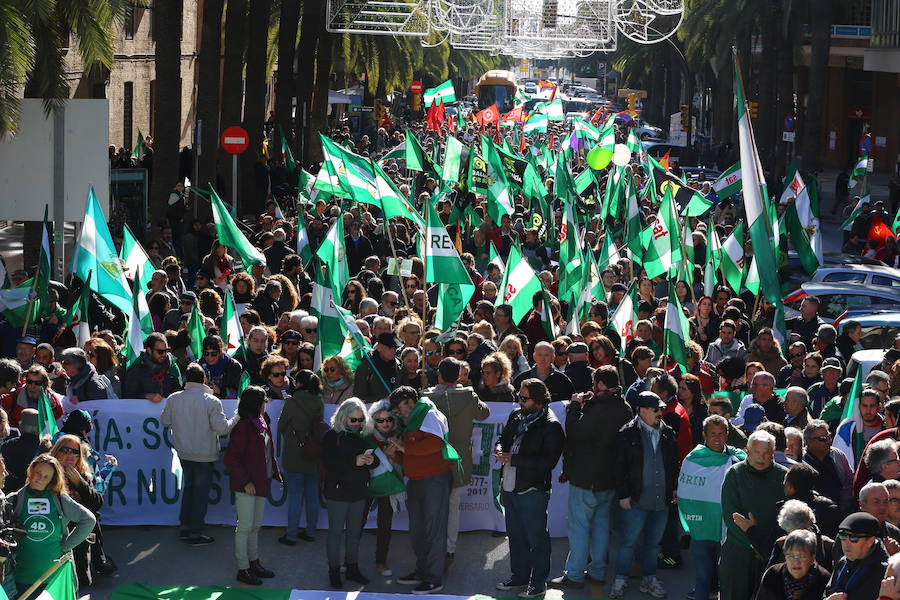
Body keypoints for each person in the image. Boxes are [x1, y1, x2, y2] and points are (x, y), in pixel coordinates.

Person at [550, 366, 632, 589]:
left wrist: (575, 406)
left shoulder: (599, 408)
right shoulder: (624, 407)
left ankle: (575, 574)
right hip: (609, 478)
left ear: (602, 385)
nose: (593, 388)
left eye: (596, 384)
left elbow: (575, 432)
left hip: (587, 477)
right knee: (601, 526)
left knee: (578, 527)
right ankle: (597, 571)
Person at [494, 379, 564, 600]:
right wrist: (499, 448)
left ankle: (539, 583)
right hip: (510, 485)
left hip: (533, 488)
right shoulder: (516, 416)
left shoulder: (551, 426)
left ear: (539, 400)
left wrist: (514, 459)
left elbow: (548, 462)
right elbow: (503, 438)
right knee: (515, 535)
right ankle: (520, 577)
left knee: (537, 539)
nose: (520, 402)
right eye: (519, 397)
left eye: (524, 398)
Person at [608, 391, 678, 599]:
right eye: (656, 409)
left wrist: (673, 487)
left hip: (661, 499)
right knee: (628, 541)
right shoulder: (626, 433)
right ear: (642, 411)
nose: (660, 413)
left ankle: (649, 579)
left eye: (661, 409)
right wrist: (623, 495)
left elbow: (673, 464)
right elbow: (618, 468)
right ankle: (620, 579)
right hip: (636, 499)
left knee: (653, 544)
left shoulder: (668, 433)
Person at [390, 386, 456, 595]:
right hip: (417, 479)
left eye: (398, 408)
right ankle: (422, 571)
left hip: (435, 479)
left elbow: (435, 444)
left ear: (410, 402)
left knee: (434, 530)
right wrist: (395, 453)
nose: (397, 412)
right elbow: (412, 452)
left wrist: (403, 448)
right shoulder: (412, 419)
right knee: (417, 530)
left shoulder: (430, 413)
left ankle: (434, 578)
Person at [160, 363, 236, 546]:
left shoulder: (174, 398)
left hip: (184, 453)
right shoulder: (211, 401)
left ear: (185, 379)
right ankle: (195, 532)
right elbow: (222, 429)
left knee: (189, 489)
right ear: (204, 379)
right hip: (204, 455)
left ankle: (185, 527)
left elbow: (164, 420)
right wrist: (237, 417)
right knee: (200, 494)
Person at [425, 358, 490, 561]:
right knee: (453, 506)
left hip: (434, 458)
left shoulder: (426, 398)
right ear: (459, 376)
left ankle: (433, 545)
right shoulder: (468, 395)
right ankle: (449, 548)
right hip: (459, 459)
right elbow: (484, 413)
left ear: (439, 375)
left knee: (433, 506)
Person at [677, 415, 745, 600]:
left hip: (726, 528)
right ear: (704, 435)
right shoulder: (692, 459)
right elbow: (684, 493)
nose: (717, 438)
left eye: (721, 434)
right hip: (701, 528)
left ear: (727, 434)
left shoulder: (737, 458)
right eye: (712, 434)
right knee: (702, 574)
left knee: (725, 574)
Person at [7, 454, 95, 596]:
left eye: (46, 477)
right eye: (38, 473)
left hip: (56, 578)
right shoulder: (14, 499)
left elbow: (89, 520)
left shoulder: (60, 499)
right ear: (31, 471)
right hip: (23, 580)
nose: (40, 478)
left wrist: (67, 545)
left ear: (52, 480)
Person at [719, 430, 788, 600]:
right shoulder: (735, 474)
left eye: (766, 453)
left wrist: (766, 547)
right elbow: (731, 516)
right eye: (757, 452)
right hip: (739, 548)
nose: (761, 457)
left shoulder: (784, 475)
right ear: (747, 450)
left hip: (771, 551)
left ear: (773, 453)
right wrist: (755, 544)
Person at [224, 386, 282, 586]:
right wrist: (245, 481)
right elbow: (231, 458)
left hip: (261, 480)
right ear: (256, 404)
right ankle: (243, 568)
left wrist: (273, 472)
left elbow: (268, 451)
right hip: (247, 484)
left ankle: (254, 561)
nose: (266, 404)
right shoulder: (242, 427)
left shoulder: (263, 421)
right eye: (264, 400)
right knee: (245, 527)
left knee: (255, 526)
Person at [322, 398, 379, 589]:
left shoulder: (363, 436)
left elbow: (376, 462)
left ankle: (352, 568)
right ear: (343, 418)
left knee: (354, 533)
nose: (357, 423)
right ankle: (334, 571)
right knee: (336, 534)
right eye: (353, 420)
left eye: (360, 419)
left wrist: (371, 460)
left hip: (359, 492)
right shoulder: (332, 436)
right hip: (337, 492)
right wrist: (353, 462)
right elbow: (328, 464)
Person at [48, 435, 103, 587]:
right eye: (65, 450)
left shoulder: (84, 475)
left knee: (79, 584)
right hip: (51, 538)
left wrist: (80, 483)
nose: (70, 455)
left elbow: (97, 504)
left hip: (77, 542)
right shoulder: (45, 473)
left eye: (75, 452)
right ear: (56, 451)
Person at [277, 369, 324, 546]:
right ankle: (311, 532)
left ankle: (291, 535)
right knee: (313, 495)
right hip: (314, 454)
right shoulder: (319, 400)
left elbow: (281, 426)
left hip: (294, 455)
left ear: (299, 384)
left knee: (295, 497)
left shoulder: (293, 402)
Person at [367, 399, 406, 577]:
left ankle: (381, 561)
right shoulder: (366, 436)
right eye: (380, 420)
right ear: (373, 421)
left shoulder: (399, 436)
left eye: (389, 419)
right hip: (365, 485)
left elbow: (406, 464)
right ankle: (348, 561)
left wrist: (395, 456)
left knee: (384, 524)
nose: (385, 423)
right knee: (356, 521)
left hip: (389, 485)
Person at [825, 512, 889, 600]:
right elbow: (827, 592)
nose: (846, 543)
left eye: (853, 537)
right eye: (843, 535)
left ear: (870, 541)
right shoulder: (843, 562)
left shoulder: (884, 572)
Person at [756, 529, 831, 600]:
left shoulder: (824, 579)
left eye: (802, 556)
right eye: (790, 556)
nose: (796, 562)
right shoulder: (772, 574)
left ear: (812, 558)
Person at [123, 332, 182, 402]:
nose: (164, 354)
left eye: (166, 351)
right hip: (145, 412)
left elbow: (179, 392)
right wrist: (146, 396)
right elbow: (128, 396)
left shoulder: (172, 367)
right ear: (149, 350)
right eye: (160, 352)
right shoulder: (137, 368)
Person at [354, 333, 403, 403]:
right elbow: (359, 397)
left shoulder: (399, 366)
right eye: (390, 348)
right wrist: (382, 400)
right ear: (379, 347)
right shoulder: (366, 367)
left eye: (395, 348)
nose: (393, 351)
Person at [0, 408, 40, 494]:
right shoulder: (44, 448)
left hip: (8, 495)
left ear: (20, 426)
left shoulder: (7, 446)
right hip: (33, 496)